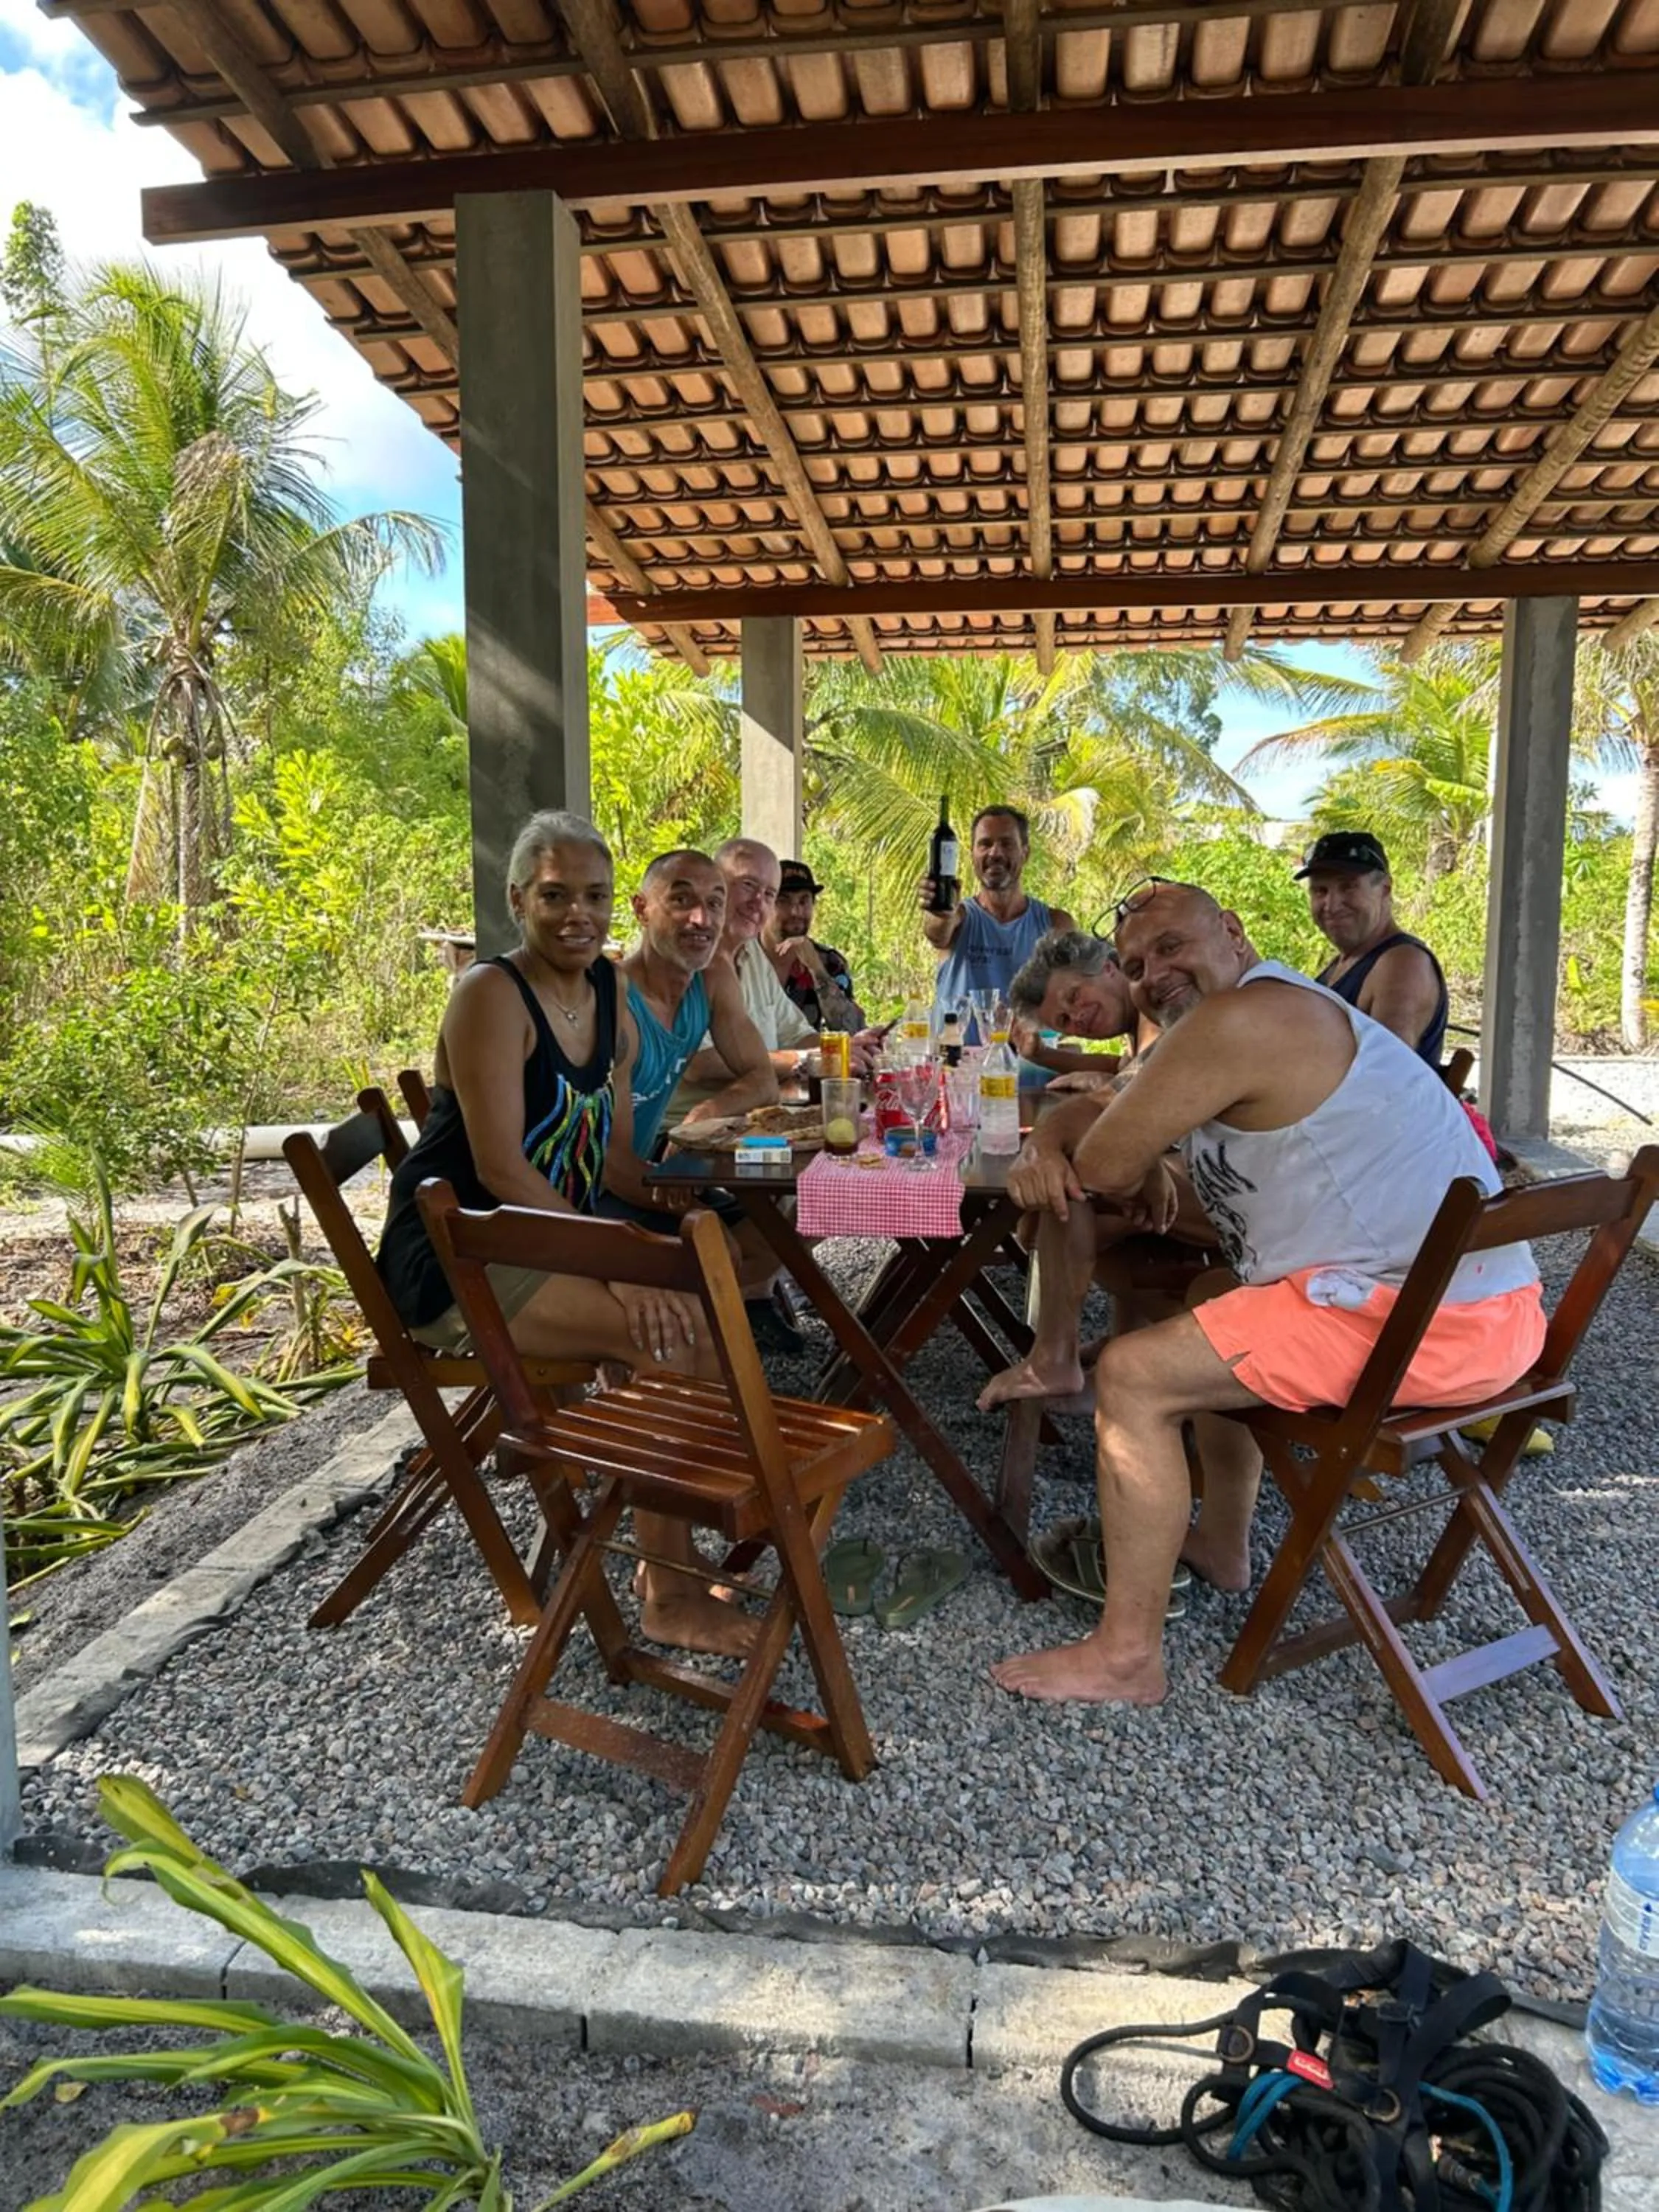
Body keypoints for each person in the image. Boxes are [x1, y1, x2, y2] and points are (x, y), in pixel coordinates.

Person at [990, 880, 1543, 1708]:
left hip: (1422, 1326)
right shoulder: (1266, 1010)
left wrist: (1093, 1150)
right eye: (1137, 965)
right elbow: (1105, 1122)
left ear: (1233, 932)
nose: (1152, 975)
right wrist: (1081, 1141)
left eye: (1172, 947)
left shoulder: (1240, 1020)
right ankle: (1222, 1543)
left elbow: (1104, 1165)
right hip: (1485, 1311)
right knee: (1214, 1294)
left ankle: (1126, 1656)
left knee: (1138, 1375)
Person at [376, 813, 759, 1659]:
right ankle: (668, 1592)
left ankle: (671, 1552)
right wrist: (618, 1263)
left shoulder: (608, 993)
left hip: (537, 1245)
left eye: (590, 895)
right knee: (671, 1330)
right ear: (518, 899)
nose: (576, 913)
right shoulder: (489, 995)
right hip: (464, 1260)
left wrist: (664, 1224)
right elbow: (503, 1168)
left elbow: (611, 1153)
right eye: (554, 895)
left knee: (703, 1289)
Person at [979, 929, 1212, 1410]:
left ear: (1110, 967)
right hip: (1191, 1176)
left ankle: (1054, 1359)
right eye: (1064, 1020)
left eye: (1074, 997)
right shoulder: (1142, 1027)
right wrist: (1089, 1072)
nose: (1077, 1018)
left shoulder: (1170, 1009)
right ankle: (1120, 1344)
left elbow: (1135, 1092)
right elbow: (1128, 1072)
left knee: (1072, 1187)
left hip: (1234, 1190)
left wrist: (1095, 1109)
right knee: (1043, 1219)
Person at [669, 838, 876, 1122]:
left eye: (769, 894)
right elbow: (701, 1064)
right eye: (748, 886)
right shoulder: (686, 958)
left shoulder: (751, 953)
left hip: (757, 1120)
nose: (758, 902)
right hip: (687, 1133)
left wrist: (844, 1048)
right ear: (716, 887)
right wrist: (813, 1059)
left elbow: (795, 1033)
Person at [619, 846, 778, 1161]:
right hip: (580, 1192)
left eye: (715, 904)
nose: (701, 919)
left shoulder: (712, 977)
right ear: (641, 909)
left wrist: (703, 1116)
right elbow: (608, 1162)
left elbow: (764, 1081)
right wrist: (688, 1207)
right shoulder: (612, 996)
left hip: (654, 1162)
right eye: (681, 900)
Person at [1297, 830, 1450, 1066]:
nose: (1332, 905)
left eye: (1348, 887)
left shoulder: (1403, 963)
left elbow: (1387, 1074)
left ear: (1385, 889)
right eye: (1320, 891)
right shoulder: (1342, 964)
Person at [920, 806, 1077, 1031]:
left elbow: (1073, 998)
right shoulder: (960, 918)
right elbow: (937, 932)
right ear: (973, 854)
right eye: (985, 844)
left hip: (1031, 1064)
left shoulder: (1056, 924)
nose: (995, 853)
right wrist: (940, 912)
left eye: (1006, 843)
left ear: (1025, 853)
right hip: (956, 1063)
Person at [762, 859, 868, 1033]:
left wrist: (817, 970)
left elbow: (853, 1032)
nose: (795, 912)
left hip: (808, 1057)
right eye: (784, 901)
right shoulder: (743, 956)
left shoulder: (831, 962)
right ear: (765, 906)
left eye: (804, 901)